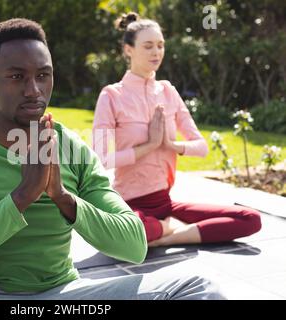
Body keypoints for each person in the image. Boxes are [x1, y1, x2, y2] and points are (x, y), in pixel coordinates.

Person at [0, 18, 225, 300]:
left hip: (64, 296)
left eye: (43, 76)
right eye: (17, 77)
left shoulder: (72, 150)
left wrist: (63, 198)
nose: (34, 90)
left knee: (200, 286)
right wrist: (21, 197)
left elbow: (133, 246)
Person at [92, 12, 261, 248]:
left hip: (165, 203)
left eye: (160, 45)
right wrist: (148, 146)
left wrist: (170, 145)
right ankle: (166, 228)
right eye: (148, 46)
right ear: (128, 49)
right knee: (122, 232)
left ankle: (167, 236)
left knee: (250, 219)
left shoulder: (168, 92)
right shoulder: (111, 96)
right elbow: (100, 160)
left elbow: (201, 147)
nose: (156, 52)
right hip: (128, 205)